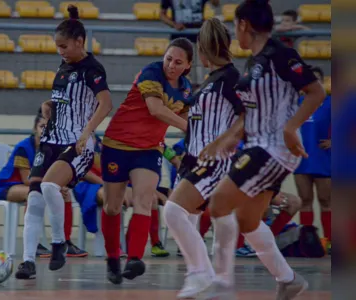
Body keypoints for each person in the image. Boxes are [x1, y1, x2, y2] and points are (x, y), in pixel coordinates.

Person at [197, 0, 326, 298]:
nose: (234, 33)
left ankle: (221, 286)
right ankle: (288, 279)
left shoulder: (280, 54)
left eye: (235, 26)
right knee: (247, 220)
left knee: (217, 203)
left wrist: (291, 127)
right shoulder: (253, 63)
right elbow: (253, 112)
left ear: (244, 24)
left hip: (273, 149)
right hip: (259, 146)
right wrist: (225, 139)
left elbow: (316, 92)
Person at [16, 5, 113, 280]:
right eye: (57, 47)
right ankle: (27, 262)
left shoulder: (92, 68)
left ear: (79, 42)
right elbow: (65, 101)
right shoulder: (64, 66)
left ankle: (59, 241)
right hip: (50, 140)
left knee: (49, 185)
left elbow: (105, 104)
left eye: (63, 46)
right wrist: (47, 106)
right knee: (34, 199)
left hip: (76, 143)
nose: (60, 51)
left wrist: (86, 133)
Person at [162, 18, 246, 298]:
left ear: (203, 49)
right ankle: (222, 280)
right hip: (193, 158)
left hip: (212, 162)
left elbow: (248, 115)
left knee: (173, 211)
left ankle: (201, 274)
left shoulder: (231, 78)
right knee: (214, 219)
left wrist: (225, 141)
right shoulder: (211, 81)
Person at [100, 37, 193, 284]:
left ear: (188, 66)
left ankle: (134, 258)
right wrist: (190, 127)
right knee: (112, 207)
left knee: (144, 200)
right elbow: (156, 110)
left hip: (149, 149)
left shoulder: (185, 89)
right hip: (117, 144)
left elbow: (187, 115)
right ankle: (112, 259)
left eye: (178, 62)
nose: (171, 65)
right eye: (169, 59)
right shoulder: (151, 72)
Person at [0, 113, 52, 258]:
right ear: (35, 128)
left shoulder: (50, 149)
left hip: (34, 184)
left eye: (48, 127)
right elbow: (27, 180)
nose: (45, 130)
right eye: (42, 126)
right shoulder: (23, 148)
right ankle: (33, 244)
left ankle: (63, 242)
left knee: (60, 192)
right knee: (33, 193)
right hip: (6, 186)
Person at [294, 66, 331, 252]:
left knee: (326, 201)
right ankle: (307, 242)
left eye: (317, 79)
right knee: (304, 200)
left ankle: (330, 241)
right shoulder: (297, 103)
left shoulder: (332, 103)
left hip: (324, 160)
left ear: (322, 82)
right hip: (301, 160)